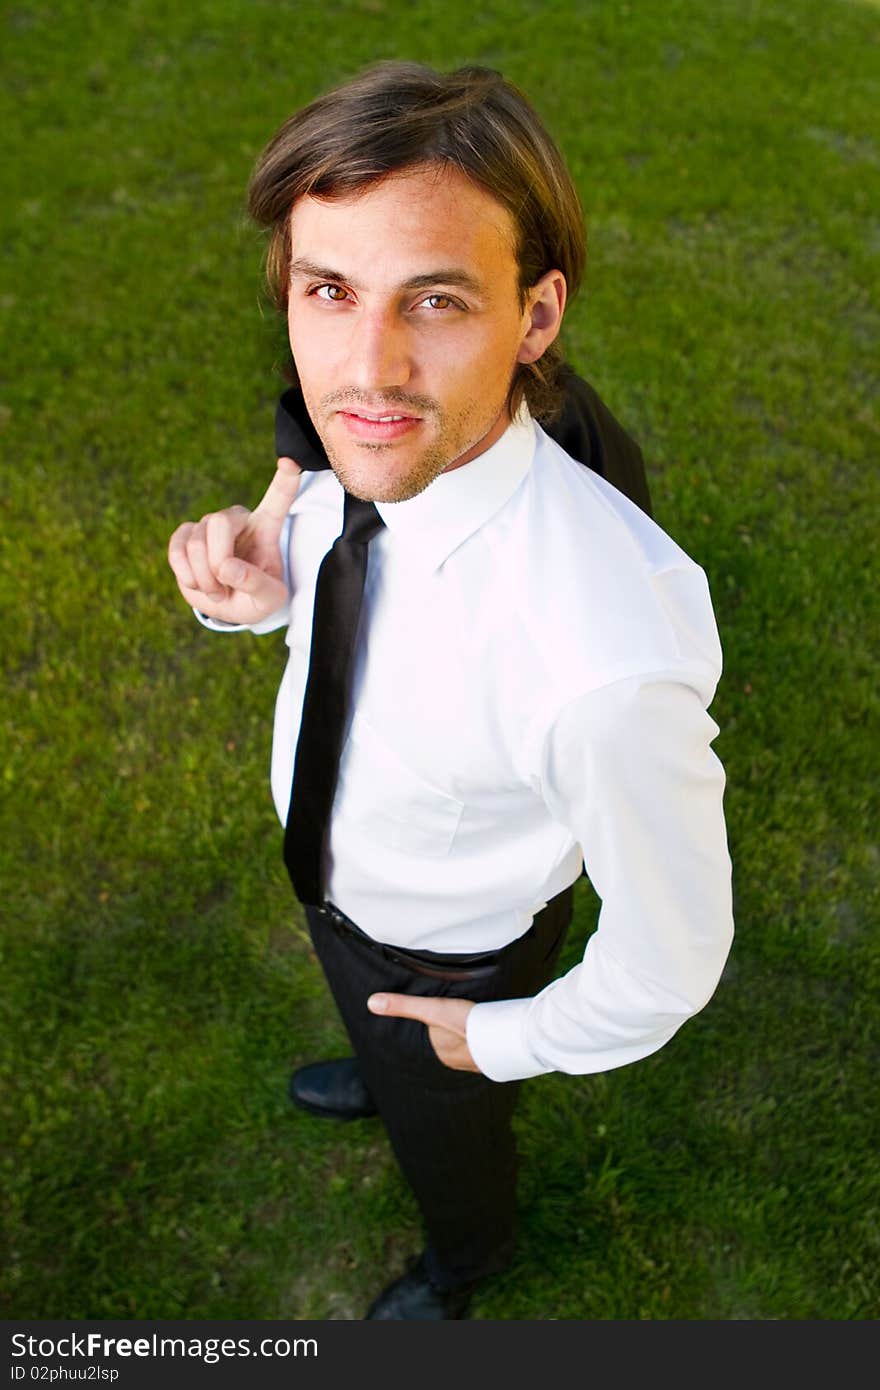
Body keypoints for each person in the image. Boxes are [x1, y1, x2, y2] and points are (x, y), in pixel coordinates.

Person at [167, 62, 733, 1320]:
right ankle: (382, 1063)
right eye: (329, 292)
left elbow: (668, 959)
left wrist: (500, 1039)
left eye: (434, 300)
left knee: (451, 1128)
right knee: (378, 1033)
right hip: (336, 883)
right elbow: (337, 581)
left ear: (535, 318)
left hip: (460, 958)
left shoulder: (600, 662)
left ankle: (461, 1259)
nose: (364, 369)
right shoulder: (360, 455)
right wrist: (251, 593)